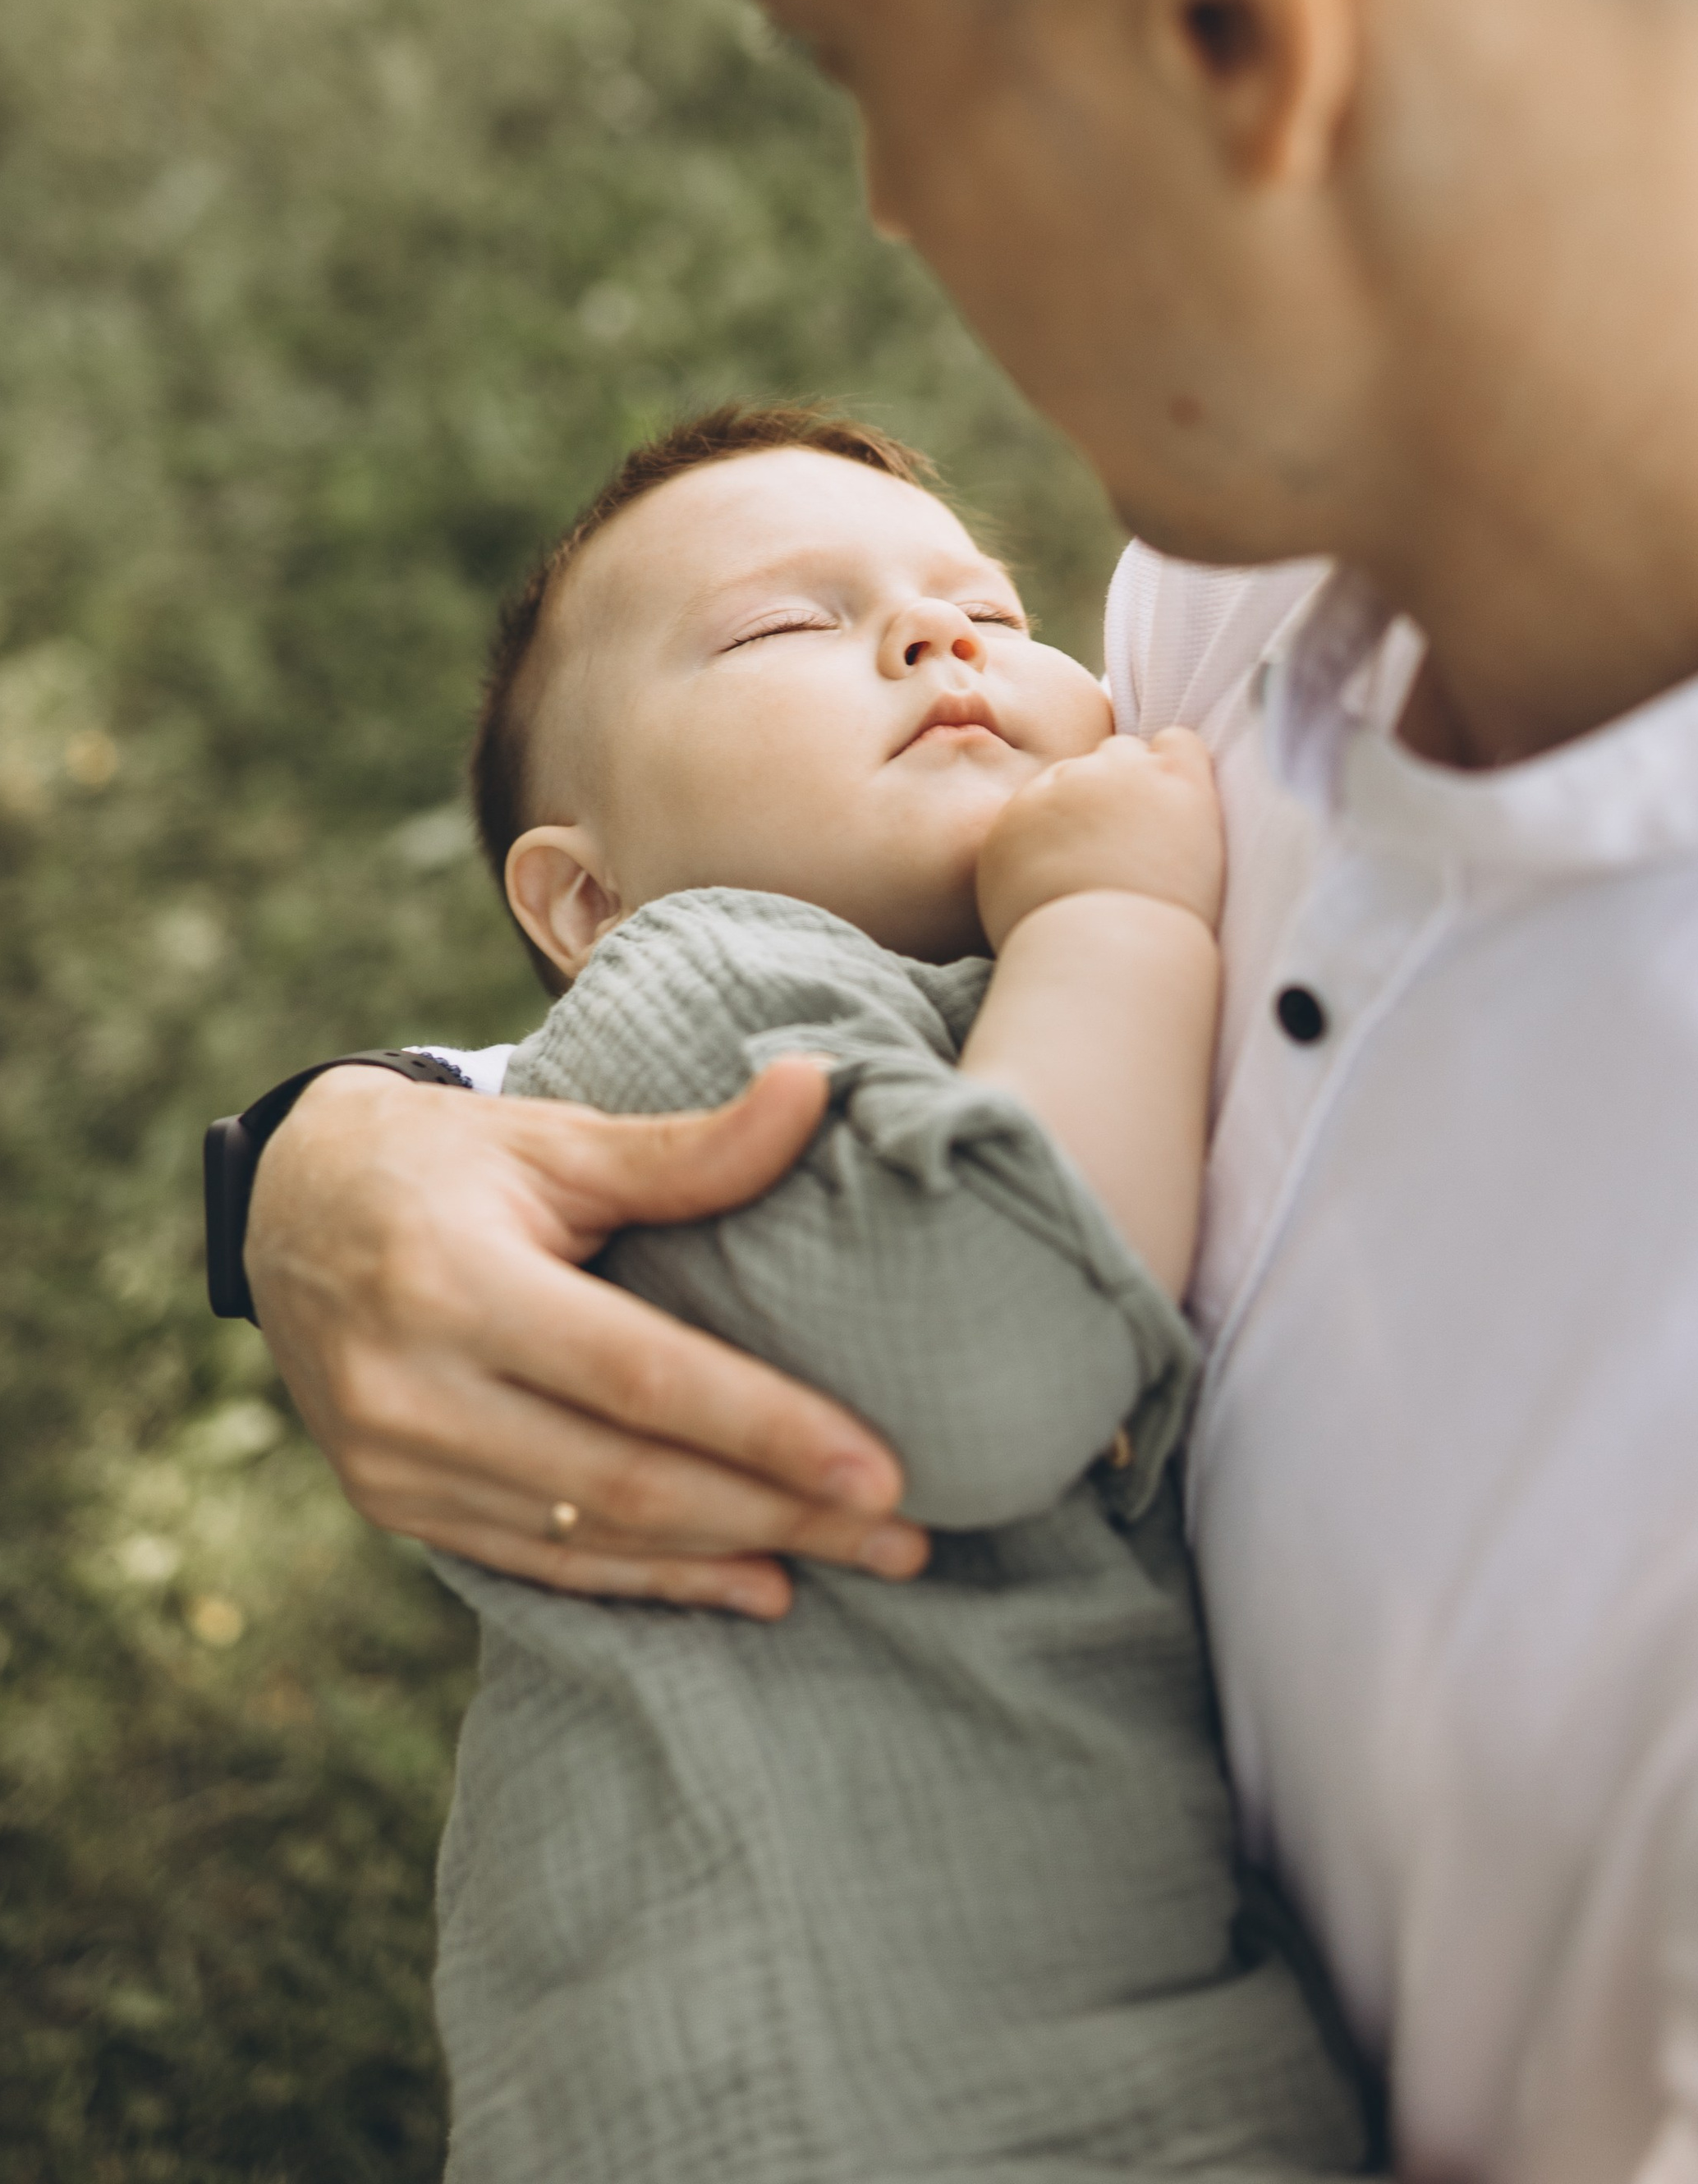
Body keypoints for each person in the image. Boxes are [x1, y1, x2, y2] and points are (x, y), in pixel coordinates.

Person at [223, 0, 1698, 2173]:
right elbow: (852, 1050)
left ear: (1228, 9)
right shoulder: (1259, 594)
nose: (876, 216)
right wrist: (334, 1171)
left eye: (860, 51)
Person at [425, 399, 1372, 2183]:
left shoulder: (979, 1002)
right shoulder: (687, 999)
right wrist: (1116, 918)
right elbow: (989, 1351)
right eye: (788, 625)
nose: (940, 638)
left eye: (996, 616)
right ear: (585, 896)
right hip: (805, 2088)